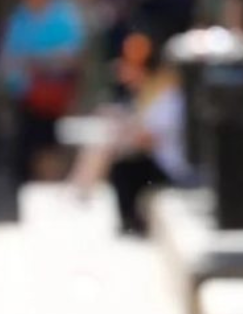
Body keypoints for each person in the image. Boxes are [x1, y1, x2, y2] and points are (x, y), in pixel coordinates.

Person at [70, 35, 194, 234]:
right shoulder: (148, 91)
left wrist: (119, 138)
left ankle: (129, 220)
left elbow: (148, 138)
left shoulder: (166, 94)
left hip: (169, 166)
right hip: (155, 157)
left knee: (123, 166)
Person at [0, 0, 86, 184]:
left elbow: (72, 55)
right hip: (25, 92)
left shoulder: (64, 14)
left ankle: (50, 180)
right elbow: (10, 54)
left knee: (50, 141)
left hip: (55, 93)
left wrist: (40, 62)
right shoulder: (20, 16)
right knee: (27, 140)